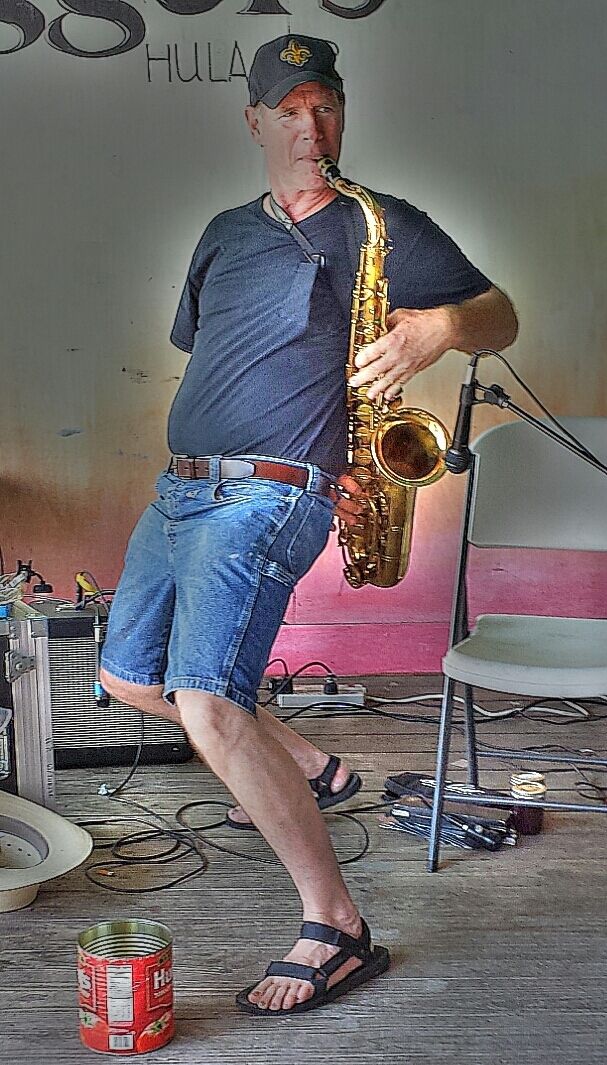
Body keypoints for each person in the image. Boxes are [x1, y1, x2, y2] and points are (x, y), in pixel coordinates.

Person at [100, 33, 518, 1016]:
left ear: (341, 112)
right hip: (179, 491)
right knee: (128, 679)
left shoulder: (384, 227)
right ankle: (314, 768)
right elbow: (210, 354)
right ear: (254, 122)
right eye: (287, 111)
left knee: (209, 704)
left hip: (271, 496)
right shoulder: (221, 233)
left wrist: (439, 326)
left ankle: (336, 925)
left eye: (323, 106)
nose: (309, 127)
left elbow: (498, 316)